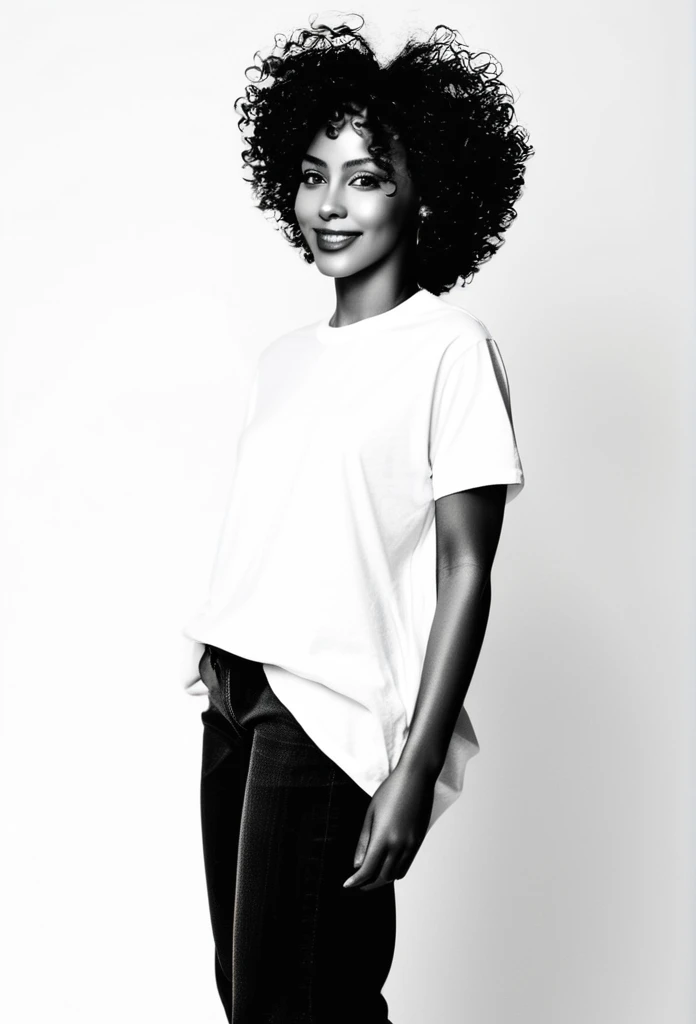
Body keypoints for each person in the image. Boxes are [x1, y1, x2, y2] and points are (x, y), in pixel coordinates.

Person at [180, 13, 534, 1023]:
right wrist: (215, 661)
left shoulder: (450, 350)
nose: (330, 204)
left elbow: (469, 569)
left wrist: (416, 769)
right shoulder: (283, 362)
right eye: (311, 173)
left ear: (425, 188)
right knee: (266, 993)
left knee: (285, 998)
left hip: (326, 716)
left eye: (365, 175)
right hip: (232, 699)